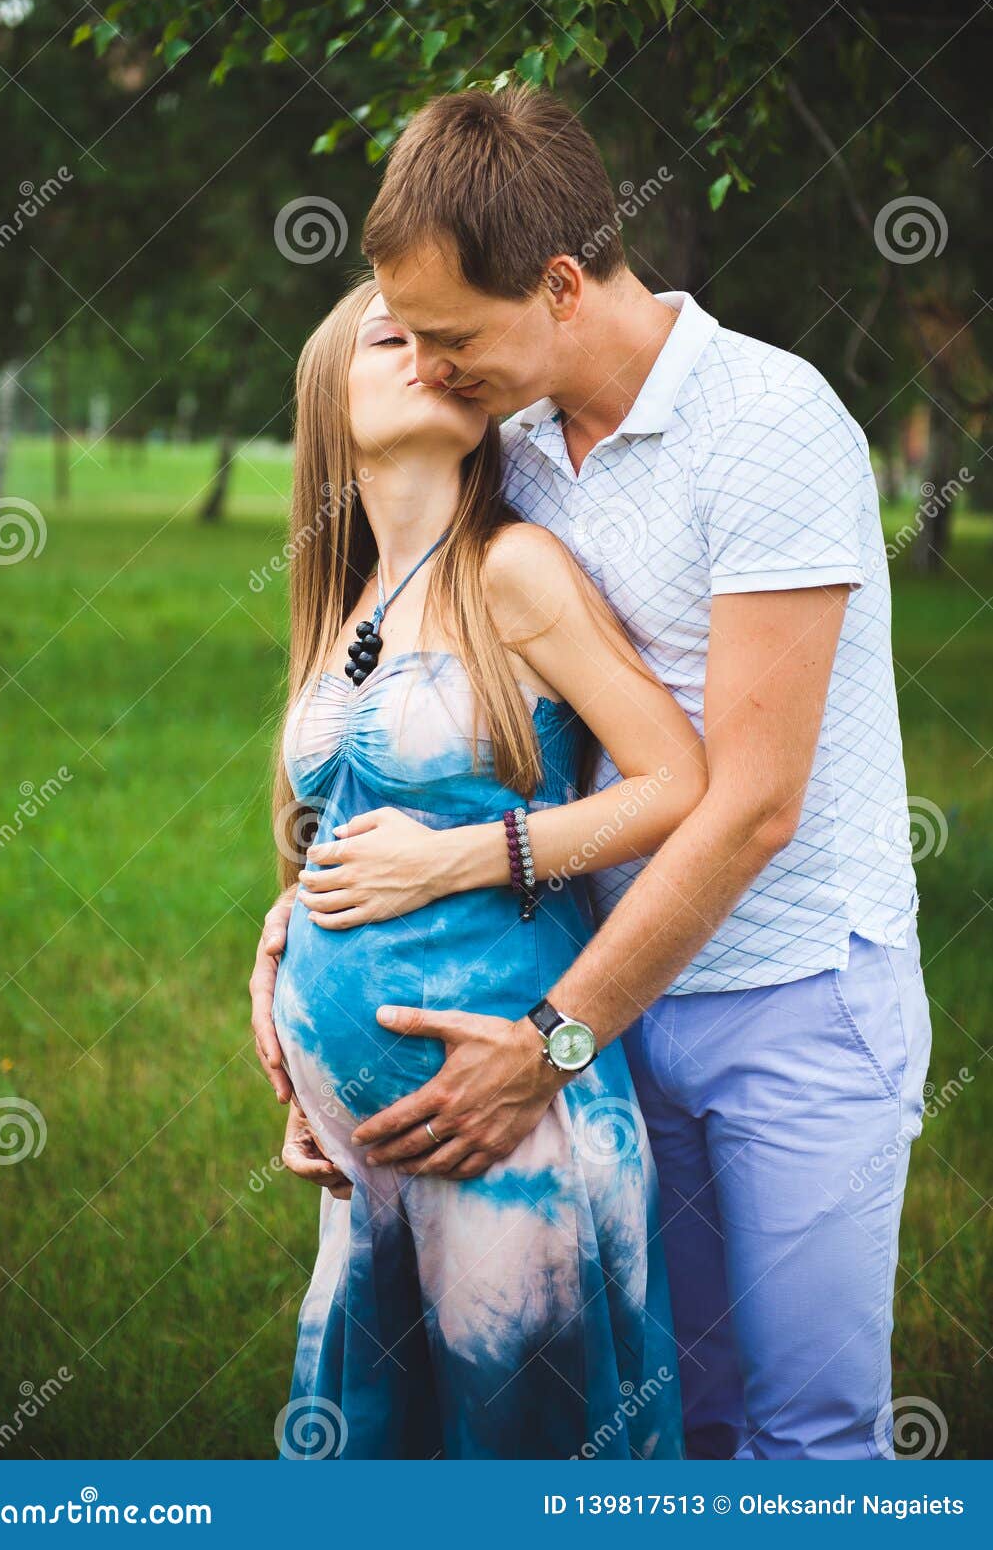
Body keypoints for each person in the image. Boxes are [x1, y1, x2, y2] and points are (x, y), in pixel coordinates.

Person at [253, 85, 932, 1461]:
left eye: (451, 336)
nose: (433, 368)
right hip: (615, 1002)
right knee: (669, 1418)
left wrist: (548, 1040)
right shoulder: (509, 445)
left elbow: (746, 803)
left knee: (808, 1436)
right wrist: (298, 923)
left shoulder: (768, 423)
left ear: (561, 284)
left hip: (785, 998)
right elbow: (433, 724)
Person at [267, 276, 708, 1460]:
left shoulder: (510, 571)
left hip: (505, 1105)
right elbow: (339, 835)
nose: (426, 349)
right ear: (327, 396)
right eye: (388, 335)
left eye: (437, 333)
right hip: (366, 1154)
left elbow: (677, 782)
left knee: (518, 1438)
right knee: (384, 1447)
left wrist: (461, 858)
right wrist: (281, 981)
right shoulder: (342, 600)